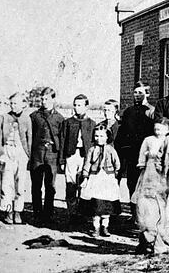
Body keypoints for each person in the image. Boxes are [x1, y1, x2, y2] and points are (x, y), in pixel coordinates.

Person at [132, 117, 169, 254]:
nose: (158, 131)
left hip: (162, 174)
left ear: (168, 130)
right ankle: (145, 240)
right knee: (146, 204)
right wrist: (142, 163)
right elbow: (142, 154)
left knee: (160, 204)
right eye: (156, 129)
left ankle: (160, 239)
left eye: (161, 129)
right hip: (149, 173)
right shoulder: (148, 140)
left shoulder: (168, 140)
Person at [0, 92, 32, 224]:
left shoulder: (27, 119)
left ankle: (18, 212)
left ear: (23, 104)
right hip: (7, 151)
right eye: (11, 103)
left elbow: (29, 138)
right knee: (6, 183)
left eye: (16, 103)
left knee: (20, 184)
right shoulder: (4, 118)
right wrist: (0, 152)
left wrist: (28, 154)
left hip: (21, 152)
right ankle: (8, 212)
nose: (13, 105)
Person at [60, 94, 96, 225]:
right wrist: (62, 161)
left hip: (85, 157)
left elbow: (93, 143)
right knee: (70, 185)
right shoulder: (68, 122)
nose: (76, 108)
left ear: (86, 107)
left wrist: (92, 161)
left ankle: (82, 213)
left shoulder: (91, 123)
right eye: (75, 105)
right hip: (71, 156)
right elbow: (63, 141)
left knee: (83, 184)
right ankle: (72, 213)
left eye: (80, 105)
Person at [116, 81, 155, 200]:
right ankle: (134, 215)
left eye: (140, 92)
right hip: (131, 154)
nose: (137, 95)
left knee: (144, 184)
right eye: (135, 92)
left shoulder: (152, 111)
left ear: (147, 94)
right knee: (131, 183)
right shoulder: (129, 111)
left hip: (145, 153)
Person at [79, 126, 121, 237]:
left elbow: (117, 163)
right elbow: (87, 163)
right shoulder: (92, 150)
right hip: (95, 178)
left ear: (107, 137)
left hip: (107, 178)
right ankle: (96, 227)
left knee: (107, 205)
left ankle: (105, 227)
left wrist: (115, 173)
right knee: (96, 205)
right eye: (96, 136)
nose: (99, 138)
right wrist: (85, 176)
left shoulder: (111, 149)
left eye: (102, 136)